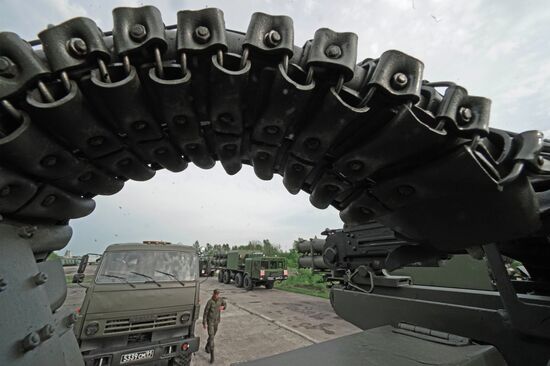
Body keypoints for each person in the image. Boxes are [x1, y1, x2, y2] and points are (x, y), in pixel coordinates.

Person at [203, 289, 227, 363]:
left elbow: (225, 304)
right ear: (213, 294)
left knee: (212, 335)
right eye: (215, 294)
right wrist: (204, 323)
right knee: (212, 336)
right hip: (210, 322)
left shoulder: (220, 300)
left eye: (218, 294)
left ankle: (207, 346)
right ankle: (212, 357)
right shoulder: (210, 302)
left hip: (217, 321)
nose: (216, 295)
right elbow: (205, 313)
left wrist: (223, 307)